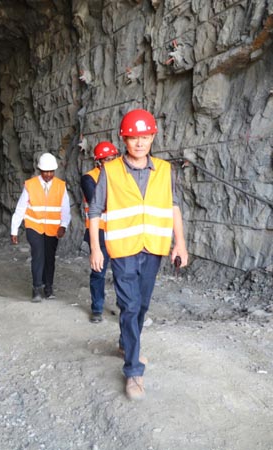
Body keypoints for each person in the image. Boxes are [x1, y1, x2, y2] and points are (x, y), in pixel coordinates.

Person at [88, 109, 188, 401]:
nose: (140, 142)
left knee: (141, 305)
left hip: (153, 247)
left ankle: (125, 342)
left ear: (153, 136)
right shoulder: (110, 171)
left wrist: (180, 244)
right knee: (130, 306)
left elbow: (173, 206)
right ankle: (133, 370)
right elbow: (95, 210)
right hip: (123, 250)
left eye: (145, 136)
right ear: (124, 140)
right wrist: (95, 248)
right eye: (134, 138)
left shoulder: (165, 170)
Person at [11, 153, 71, 302]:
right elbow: (20, 208)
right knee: (38, 255)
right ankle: (37, 288)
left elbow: (65, 208)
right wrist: (14, 230)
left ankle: (48, 287)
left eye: (51, 171)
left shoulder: (60, 186)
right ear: (39, 170)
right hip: (34, 226)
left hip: (52, 228)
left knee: (49, 258)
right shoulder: (30, 185)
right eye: (45, 172)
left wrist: (63, 225)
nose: (48, 175)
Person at [81, 141, 119, 323]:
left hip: (120, 230)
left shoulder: (122, 177)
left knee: (123, 272)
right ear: (98, 162)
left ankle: (125, 307)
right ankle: (97, 309)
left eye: (113, 159)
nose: (111, 162)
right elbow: (97, 202)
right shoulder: (89, 178)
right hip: (99, 232)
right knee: (99, 272)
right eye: (107, 160)